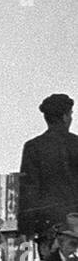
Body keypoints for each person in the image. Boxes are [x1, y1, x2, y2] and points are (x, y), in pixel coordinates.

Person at [18, 93, 78, 239]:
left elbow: (28, 192)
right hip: (76, 223)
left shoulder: (33, 147)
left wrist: (26, 230)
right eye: (70, 114)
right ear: (65, 117)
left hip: (49, 225)